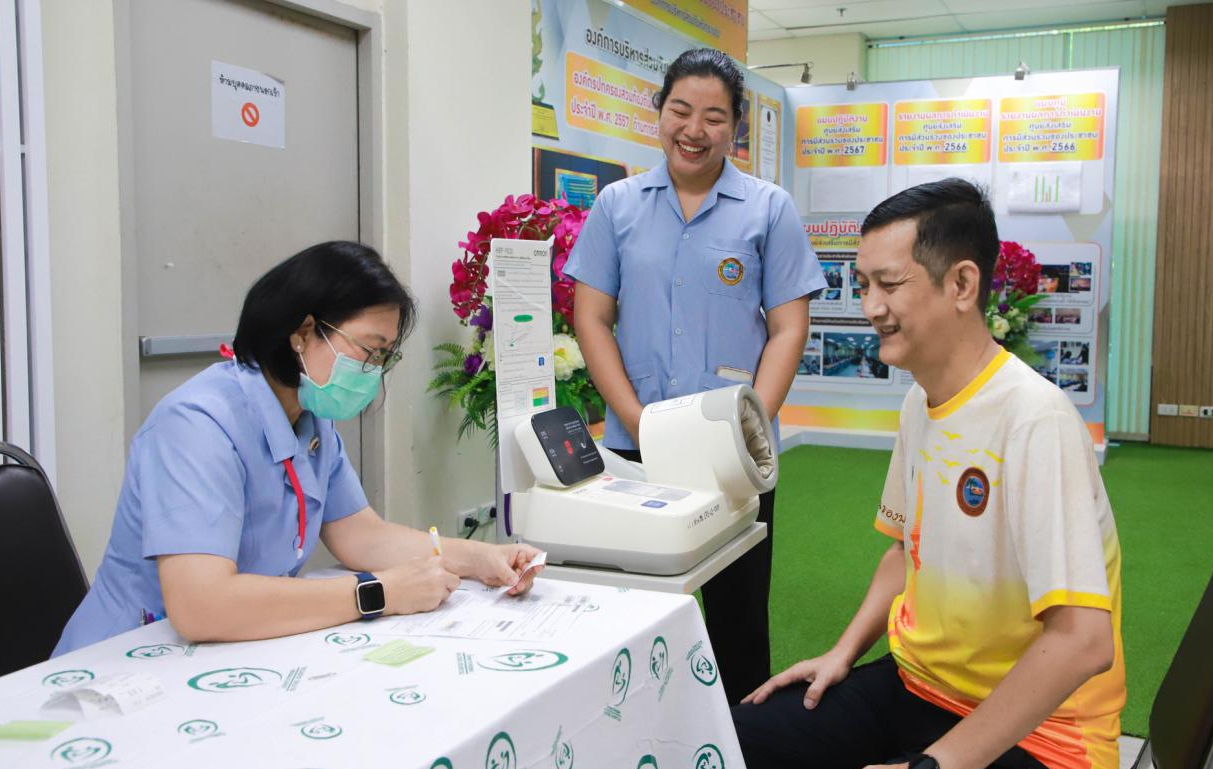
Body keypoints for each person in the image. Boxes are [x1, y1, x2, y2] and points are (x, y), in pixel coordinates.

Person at [732, 180, 1124, 769]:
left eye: (889, 285)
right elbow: (902, 552)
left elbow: (1082, 642)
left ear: (962, 284)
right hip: (918, 686)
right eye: (863, 284)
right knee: (727, 746)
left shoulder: (1035, 420)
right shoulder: (921, 400)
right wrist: (842, 652)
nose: (870, 306)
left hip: (1044, 744)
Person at [54, 241, 542, 655]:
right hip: (128, 662)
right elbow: (201, 605)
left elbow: (362, 536)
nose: (373, 371)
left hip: (227, 648)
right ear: (303, 332)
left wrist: (479, 559)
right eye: (368, 350)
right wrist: (377, 594)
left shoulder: (309, 417)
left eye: (384, 357)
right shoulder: (196, 426)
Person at [564, 48, 825, 700]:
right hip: (634, 448)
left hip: (733, 456)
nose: (694, 130)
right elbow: (590, 318)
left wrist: (748, 427)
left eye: (714, 117)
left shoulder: (768, 209)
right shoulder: (617, 205)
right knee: (636, 616)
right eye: (680, 110)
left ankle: (746, 747)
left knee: (738, 622)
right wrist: (637, 423)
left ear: (736, 127)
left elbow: (789, 328)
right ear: (659, 111)